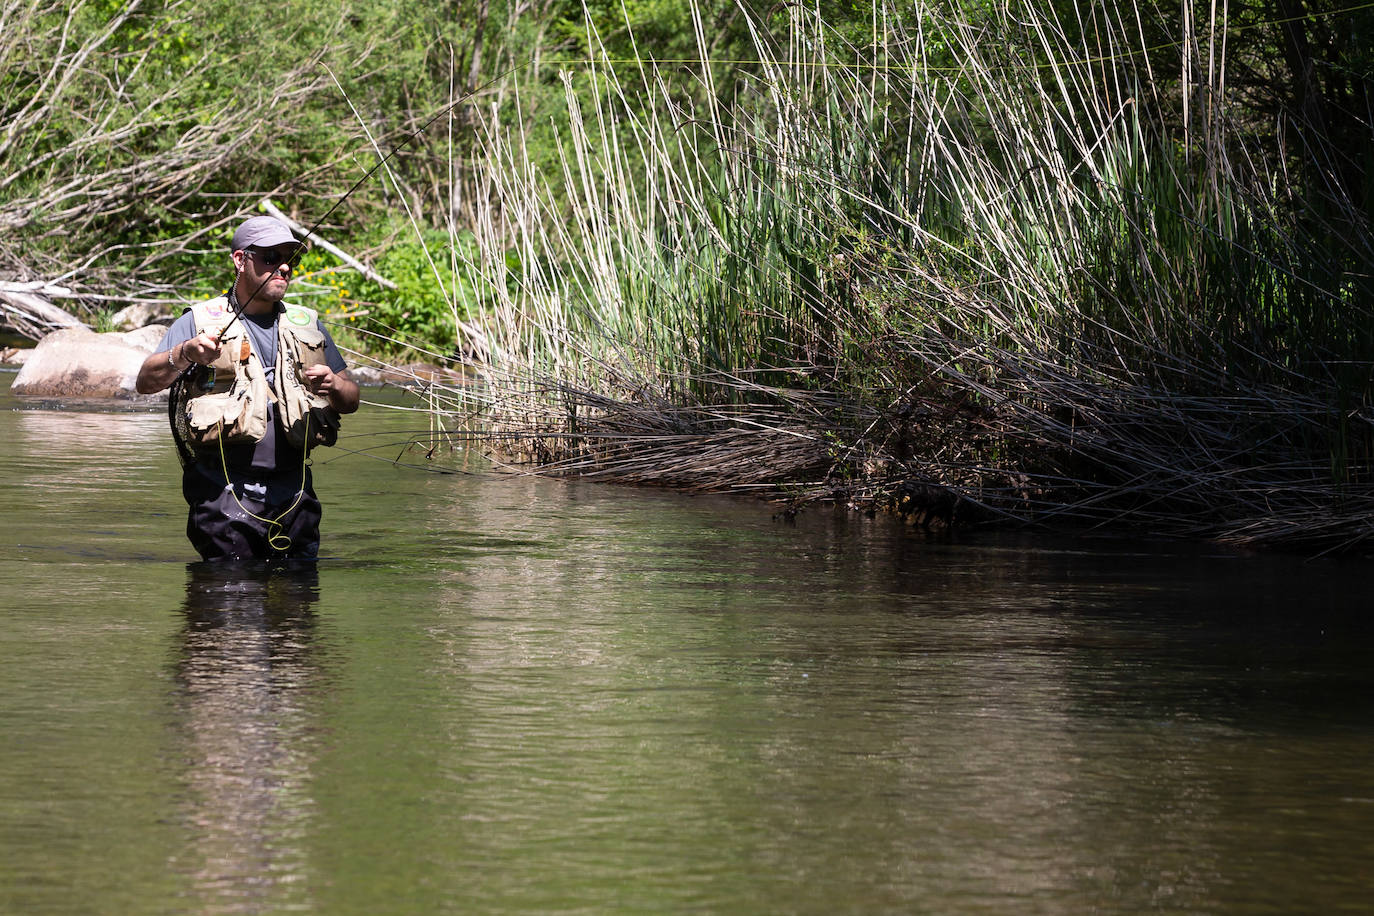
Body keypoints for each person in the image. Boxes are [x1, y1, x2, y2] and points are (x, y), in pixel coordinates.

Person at [137, 215, 360, 560]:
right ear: (240, 260)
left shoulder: (308, 323)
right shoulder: (199, 321)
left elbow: (351, 399)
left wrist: (333, 385)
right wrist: (185, 352)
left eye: (292, 259)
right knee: (227, 604)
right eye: (271, 257)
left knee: (298, 607)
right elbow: (145, 382)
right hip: (223, 493)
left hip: (295, 493)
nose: (284, 267)